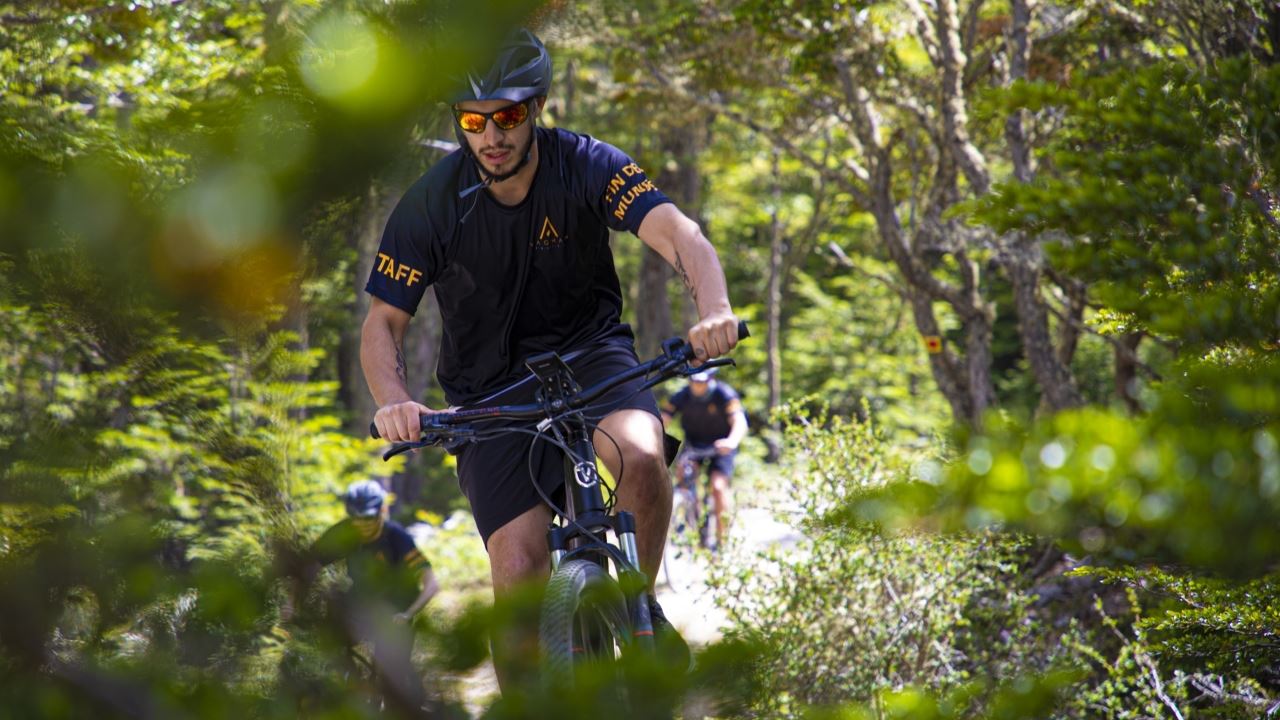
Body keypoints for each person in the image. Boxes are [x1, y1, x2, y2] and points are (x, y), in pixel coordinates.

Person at [360, 28, 740, 683]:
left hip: (591, 357)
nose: (491, 135)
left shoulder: (587, 164)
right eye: (474, 121)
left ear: (537, 108)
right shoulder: (431, 203)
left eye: (507, 116)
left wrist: (713, 310)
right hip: (488, 392)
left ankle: (636, 609)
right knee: (515, 577)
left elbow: (679, 234)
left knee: (645, 460)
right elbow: (383, 322)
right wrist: (393, 400)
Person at [306, 480, 439, 710]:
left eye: (368, 518)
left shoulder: (396, 537)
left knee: (393, 673)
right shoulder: (344, 533)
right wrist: (291, 604)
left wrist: (407, 614)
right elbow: (307, 566)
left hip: (397, 611)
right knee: (332, 644)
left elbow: (431, 584)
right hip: (361, 605)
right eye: (356, 518)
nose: (363, 525)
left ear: (382, 511)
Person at [660, 368, 748, 550]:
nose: (697, 386)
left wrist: (732, 441)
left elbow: (739, 422)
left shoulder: (724, 394)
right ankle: (693, 519)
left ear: (711, 379)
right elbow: (663, 419)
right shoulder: (681, 395)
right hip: (694, 445)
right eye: (694, 382)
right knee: (683, 477)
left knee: (717, 487)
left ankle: (722, 541)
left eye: (702, 382)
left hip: (721, 445)